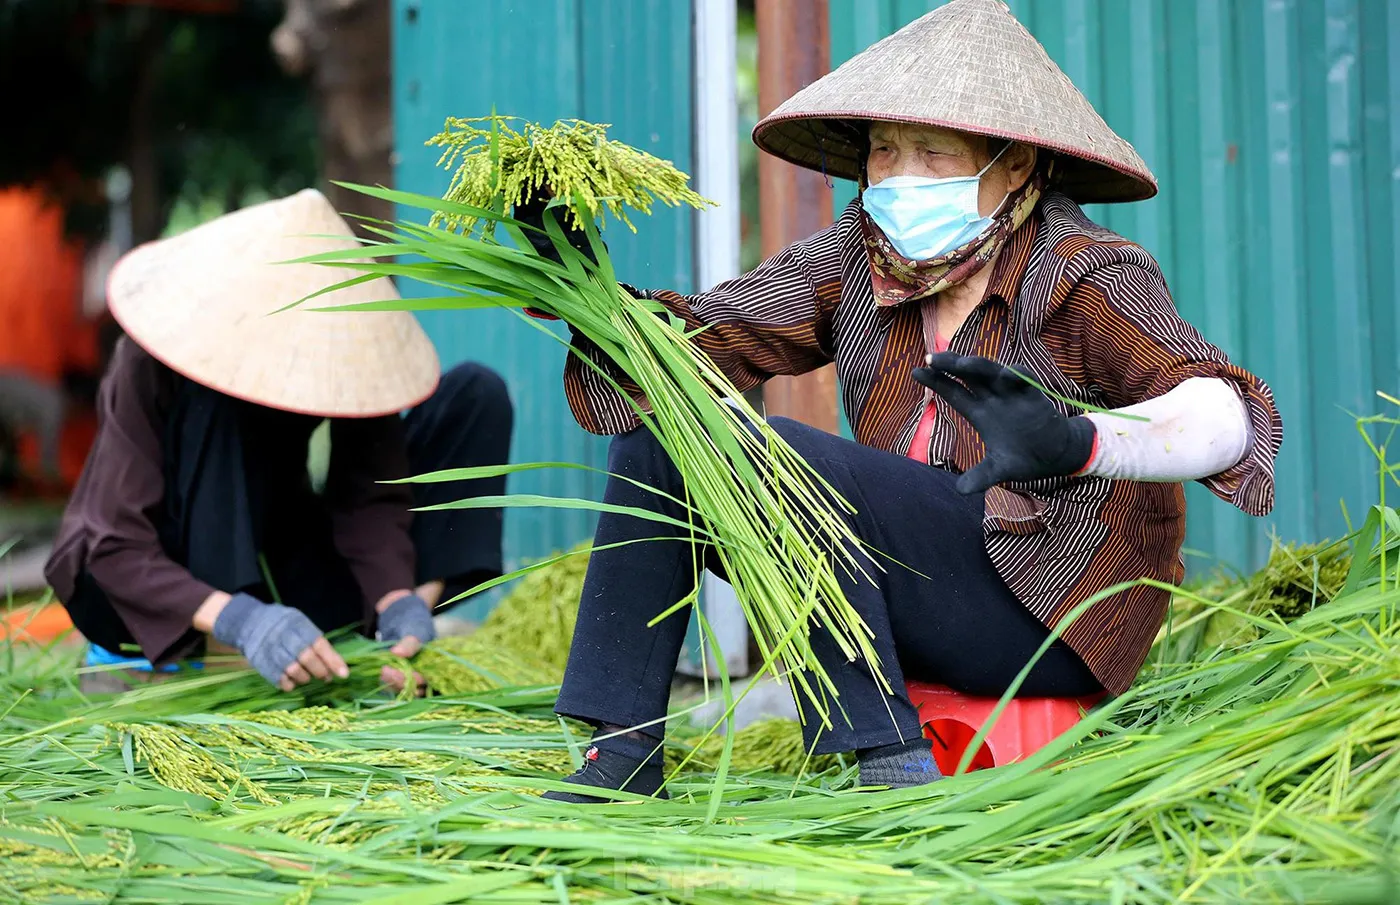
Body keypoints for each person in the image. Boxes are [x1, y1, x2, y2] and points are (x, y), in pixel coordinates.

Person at [526, 0, 1283, 801]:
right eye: (884, 152)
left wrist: (1081, 440)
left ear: (1014, 165)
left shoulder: (1082, 271)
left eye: (931, 154)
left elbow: (1227, 414)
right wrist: (585, 287)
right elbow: (700, 342)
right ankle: (623, 755)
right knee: (667, 423)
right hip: (905, 587)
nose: (896, 177)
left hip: (1049, 613)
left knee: (791, 455)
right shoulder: (860, 255)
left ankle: (888, 757)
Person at [45, 189, 513, 694]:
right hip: (161, 590)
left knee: (473, 394)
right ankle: (233, 657)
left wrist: (396, 600)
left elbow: (369, 492)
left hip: (285, 573)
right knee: (213, 403)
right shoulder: (155, 358)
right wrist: (241, 621)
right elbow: (114, 544)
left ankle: (402, 647)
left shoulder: (343, 343)